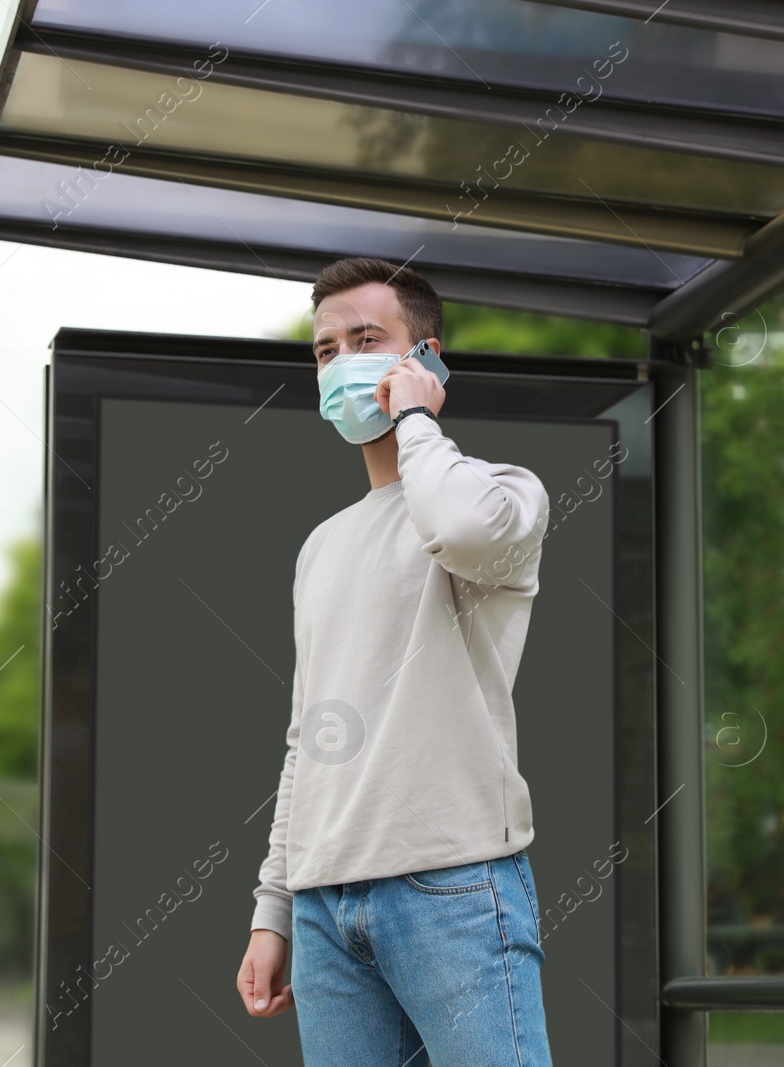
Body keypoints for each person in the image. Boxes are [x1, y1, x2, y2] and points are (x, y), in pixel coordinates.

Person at [234, 256, 554, 1067]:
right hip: (324, 904)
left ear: (427, 358)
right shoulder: (321, 546)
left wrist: (416, 419)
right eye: (326, 349)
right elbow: (307, 734)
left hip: (451, 886)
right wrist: (274, 907)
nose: (342, 363)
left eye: (367, 339)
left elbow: (461, 531)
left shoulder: (497, 493)